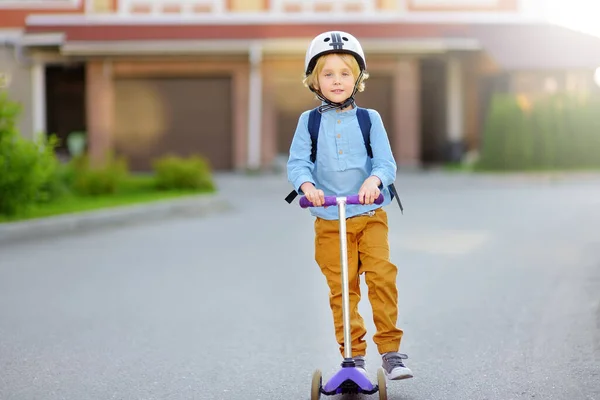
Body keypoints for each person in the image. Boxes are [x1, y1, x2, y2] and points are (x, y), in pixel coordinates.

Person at [286, 31, 413, 381]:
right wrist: (307, 186)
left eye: (345, 73)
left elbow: (385, 163)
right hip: (329, 218)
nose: (337, 80)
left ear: (358, 79)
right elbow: (297, 163)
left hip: (369, 214)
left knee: (382, 278)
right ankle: (352, 356)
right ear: (315, 81)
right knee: (343, 289)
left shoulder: (369, 119)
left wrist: (374, 182)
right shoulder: (308, 122)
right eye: (328, 74)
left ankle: (391, 352)